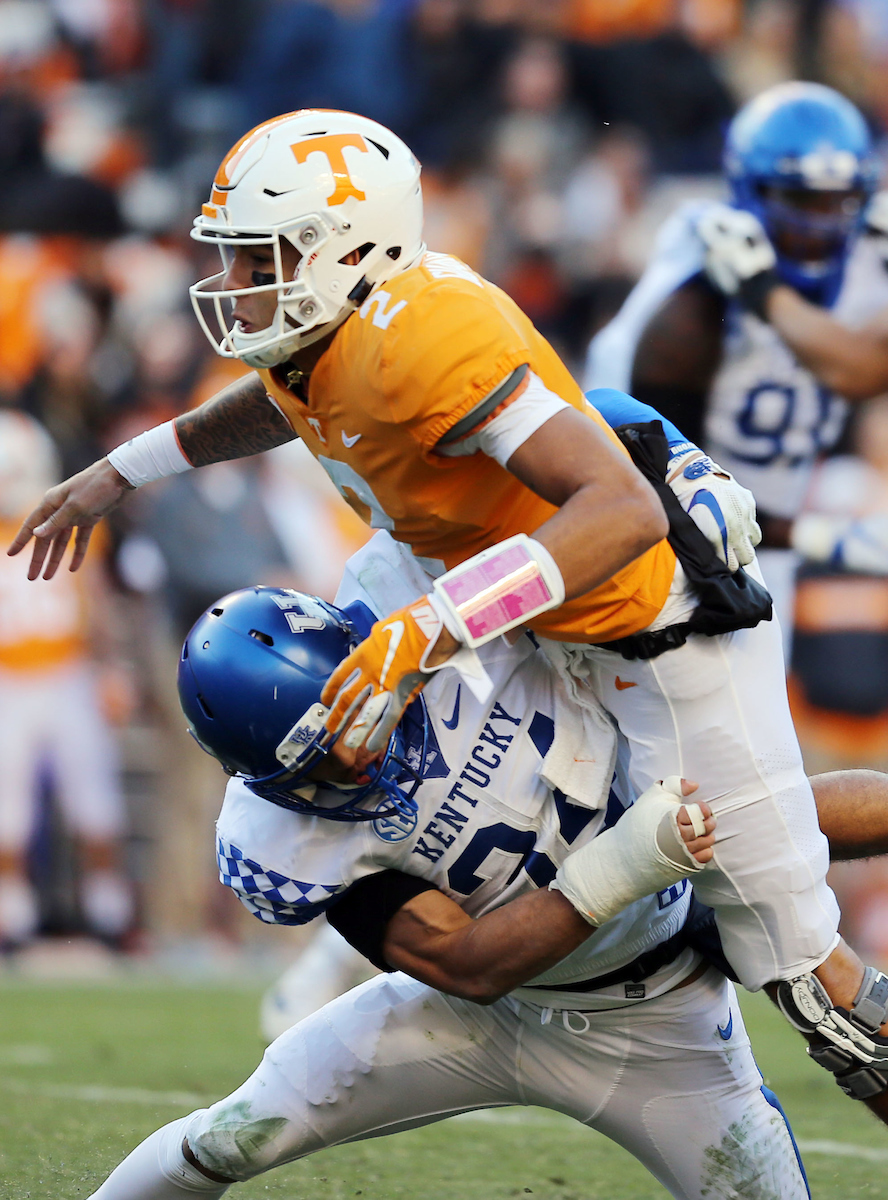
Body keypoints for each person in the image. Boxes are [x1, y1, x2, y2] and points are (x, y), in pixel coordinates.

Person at [8, 108, 888, 1116]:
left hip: (645, 612)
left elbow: (621, 513)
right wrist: (124, 469)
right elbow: (284, 401)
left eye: (264, 259)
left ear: (352, 249)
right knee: (713, 817)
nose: (240, 285)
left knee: (809, 983)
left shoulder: (426, 339)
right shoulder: (332, 332)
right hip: (523, 600)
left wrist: (426, 633)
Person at [87, 584, 811, 1200]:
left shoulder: (461, 623)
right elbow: (468, 967)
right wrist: (625, 862)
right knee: (232, 1136)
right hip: (469, 1020)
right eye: (319, 765)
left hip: (657, 1013)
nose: (356, 759)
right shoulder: (281, 841)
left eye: (354, 722)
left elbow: (574, 541)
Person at [585, 81, 888, 654]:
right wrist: (813, 535)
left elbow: (864, 370)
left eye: (838, 200)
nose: (822, 223)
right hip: (665, 545)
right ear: (751, 192)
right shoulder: (692, 301)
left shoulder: (869, 255)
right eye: (801, 201)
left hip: (769, 542)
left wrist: (765, 292)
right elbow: (658, 486)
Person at [0, 410, 133, 948]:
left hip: (69, 672)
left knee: (94, 797)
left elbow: (95, 602)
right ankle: (12, 915)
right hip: (10, 679)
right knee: (8, 805)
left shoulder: (65, 521)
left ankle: (110, 910)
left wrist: (111, 670)